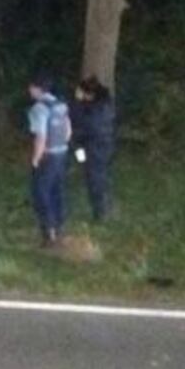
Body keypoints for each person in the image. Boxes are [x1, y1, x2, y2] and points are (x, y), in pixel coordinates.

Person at [27, 72, 72, 248]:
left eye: (31, 87)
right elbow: (68, 131)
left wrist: (36, 159)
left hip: (48, 156)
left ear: (37, 88)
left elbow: (41, 136)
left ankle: (49, 233)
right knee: (57, 190)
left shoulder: (39, 108)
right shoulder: (61, 105)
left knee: (41, 193)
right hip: (62, 153)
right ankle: (60, 227)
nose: (29, 90)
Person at [71, 76, 116, 221]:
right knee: (97, 175)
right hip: (100, 146)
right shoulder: (105, 105)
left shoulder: (94, 109)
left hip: (92, 147)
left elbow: (81, 124)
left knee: (95, 178)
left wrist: (77, 103)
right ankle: (104, 208)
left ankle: (101, 212)